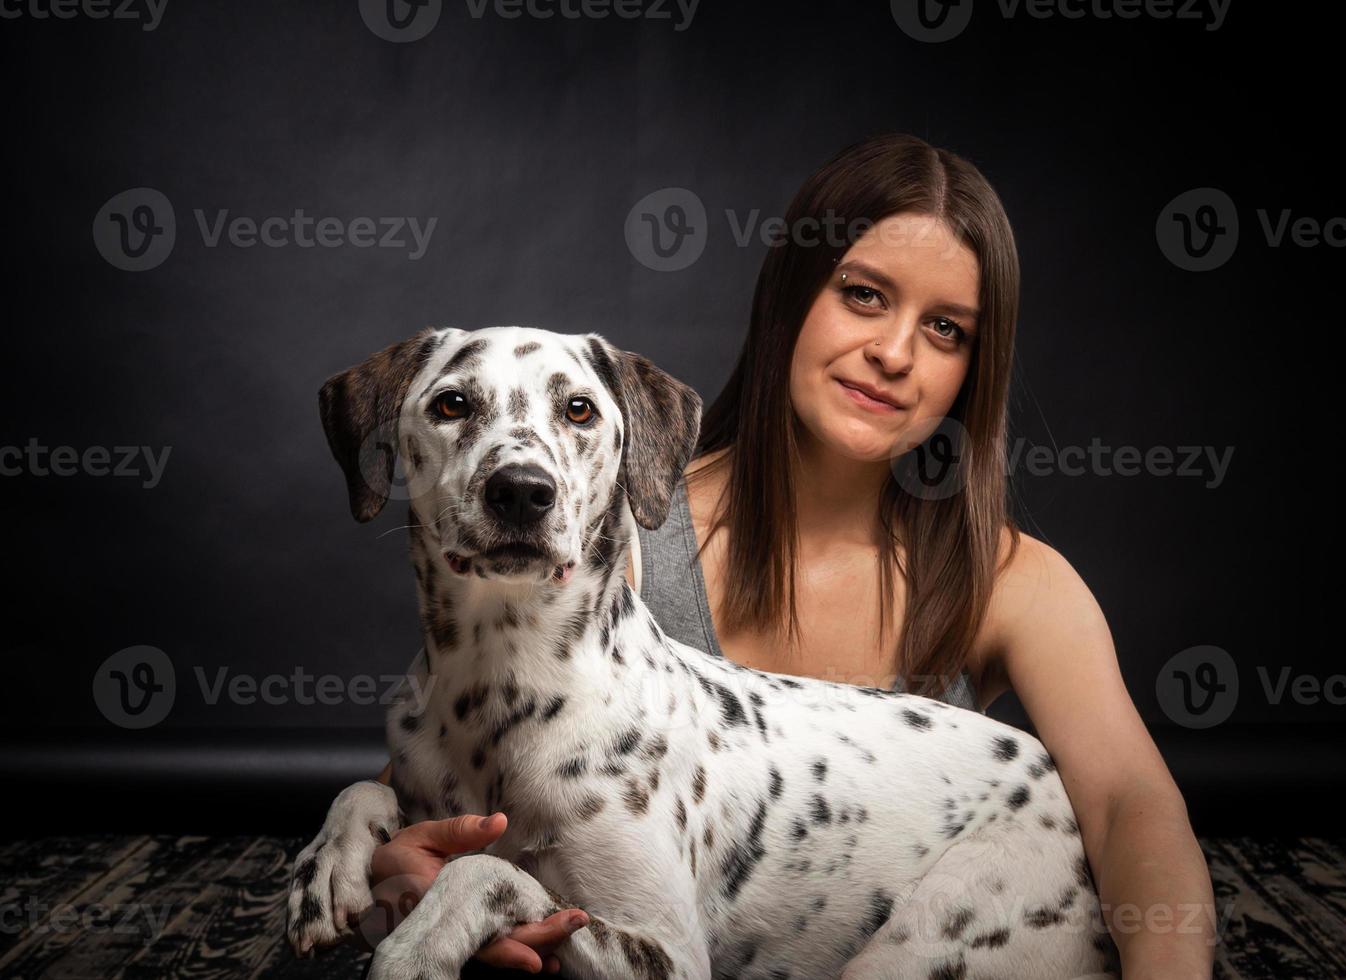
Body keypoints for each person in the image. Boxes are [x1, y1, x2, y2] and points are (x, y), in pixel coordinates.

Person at [365, 132, 1217, 979]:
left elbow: (1128, 806)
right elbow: (474, 764)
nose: (895, 352)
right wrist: (404, 862)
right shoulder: (603, 538)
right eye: (864, 294)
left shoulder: (1012, 580)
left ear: (973, 368)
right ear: (789, 297)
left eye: (948, 329)